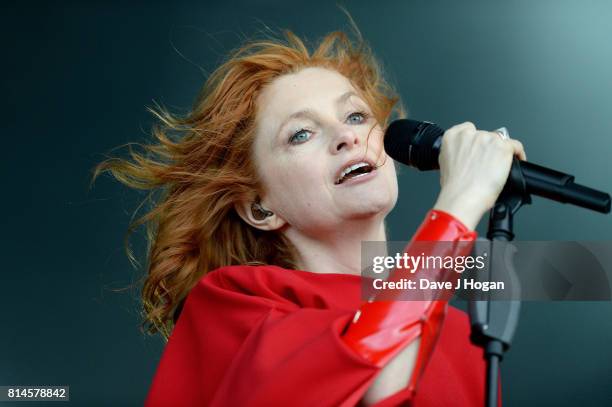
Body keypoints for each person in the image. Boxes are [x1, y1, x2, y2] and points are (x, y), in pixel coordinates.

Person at [92, 24, 526, 406]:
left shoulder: (458, 332)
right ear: (260, 208)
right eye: (301, 134)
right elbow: (373, 378)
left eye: (356, 115)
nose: (346, 136)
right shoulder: (235, 308)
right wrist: (460, 201)